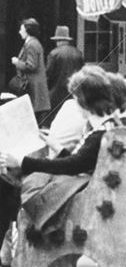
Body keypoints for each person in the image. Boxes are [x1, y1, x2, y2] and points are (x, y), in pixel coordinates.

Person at [0, 66, 118, 248]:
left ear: (84, 101)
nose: (74, 102)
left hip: (77, 195)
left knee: (6, 189)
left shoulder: (98, 134)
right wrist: (57, 147)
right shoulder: (106, 128)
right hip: (86, 187)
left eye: (76, 97)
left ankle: (8, 245)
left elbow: (72, 166)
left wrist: (23, 162)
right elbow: (78, 163)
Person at [11, 19, 49, 125]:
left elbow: (31, 66)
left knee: (34, 119)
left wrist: (17, 62)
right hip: (34, 86)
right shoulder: (32, 43)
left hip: (33, 87)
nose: (19, 32)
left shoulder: (32, 44)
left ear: (28, 30)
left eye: (21, 29)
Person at [45, 26, 84, 119]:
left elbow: (48, 74)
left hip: (56, 92)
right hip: (73, 91)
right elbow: (82, 72)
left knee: (54, 118)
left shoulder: (53, 53)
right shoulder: (78, 53)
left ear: (58, 40)